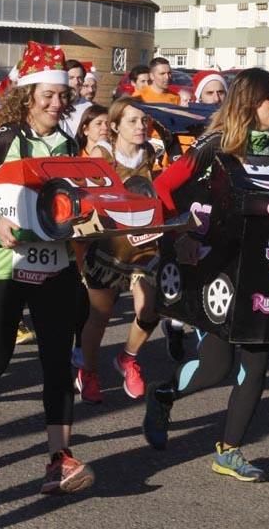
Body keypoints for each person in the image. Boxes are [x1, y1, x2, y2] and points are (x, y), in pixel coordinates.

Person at [143, 67, 269, 482]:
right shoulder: (213, 145)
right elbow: (162, 189)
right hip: (215, 269)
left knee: (257, 363)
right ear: (250, 103)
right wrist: (182, 232)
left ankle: (230, 451)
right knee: (215, 368)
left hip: (261, 268)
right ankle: (163, 393)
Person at [0, 41, 95, 494]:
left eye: (61, 95)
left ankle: (58, 459)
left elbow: (73, 204)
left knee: (55, 360)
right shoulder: (4, 137)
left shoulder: (68, 142)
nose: (56, 102)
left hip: (52, 264)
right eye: (47, 95)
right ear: (27, 96)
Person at [74, 97, 161, 404]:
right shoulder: (101, 154)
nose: (141, 126)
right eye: (133, 121)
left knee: (149, 306)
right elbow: (86, 201)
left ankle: (128, 358)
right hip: (109, 244)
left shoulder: (150, 152)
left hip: (143, 244)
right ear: (114, 126)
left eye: (144, 121)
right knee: (99, 316)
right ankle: (89, 372)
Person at [59, 60, 94, 136]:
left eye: (79, 78)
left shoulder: (88, 107)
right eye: (71, 78)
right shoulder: (54, 104)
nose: (76, 82)